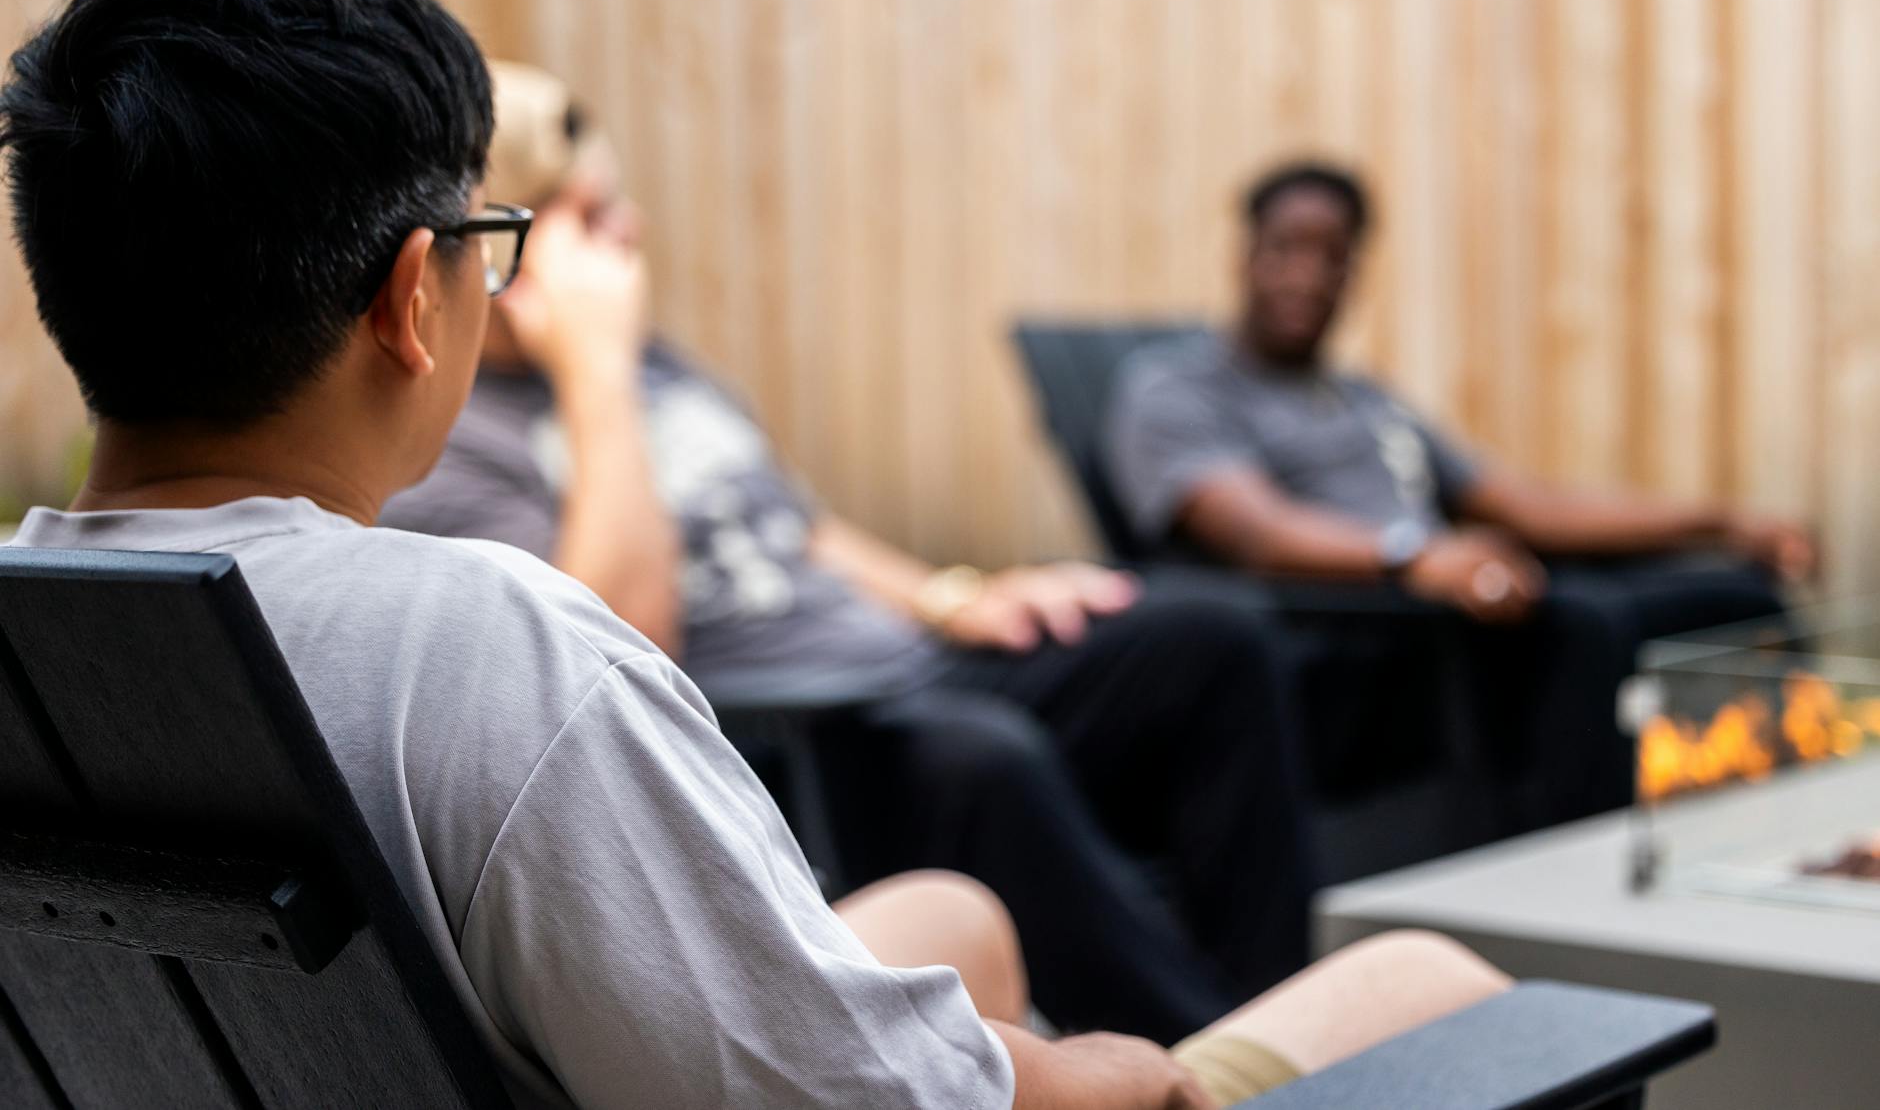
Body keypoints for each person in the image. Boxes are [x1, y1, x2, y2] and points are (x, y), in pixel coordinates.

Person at [0, 0, 1516, 1110]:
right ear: (416, 294)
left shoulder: (46, 626)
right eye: (497, 236)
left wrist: (937, 593)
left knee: (950, 916)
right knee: (1437, 978)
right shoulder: (484, 647)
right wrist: (1113, 1075)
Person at [382, 62, 1314, 1043]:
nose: (631, 233)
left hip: (900, 666)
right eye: (592, 215)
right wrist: (594, 370)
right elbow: (608, 646)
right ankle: (1197, 1061)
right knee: (981, 763)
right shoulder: (465, 433)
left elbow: (801, 528)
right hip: (793, 733)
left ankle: (1270, 1014)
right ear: (502, 244)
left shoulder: (657, 363)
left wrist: (957, 598)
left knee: (1208, 636)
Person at [1106, 159, 1814, 827]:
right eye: (1288, 248)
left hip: (1454, 593)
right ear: (1246, 255)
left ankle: (1775, 832)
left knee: (1737, 599)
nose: (1308, 276)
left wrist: (1719, 522)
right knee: (1584, 626)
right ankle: (1583, 885)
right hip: (1358, 631)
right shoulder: (1176, 387)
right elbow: (1257, 531)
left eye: (1334, 255)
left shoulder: (1361, 397)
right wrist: (1417, 556)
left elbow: (1515, 503)